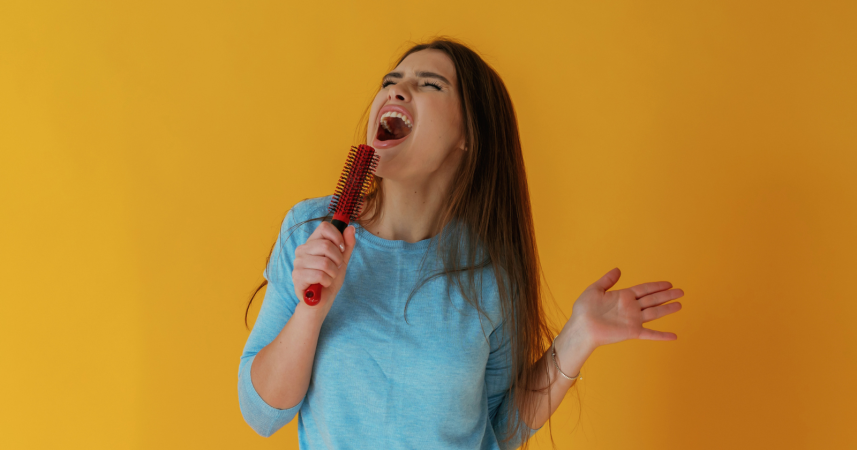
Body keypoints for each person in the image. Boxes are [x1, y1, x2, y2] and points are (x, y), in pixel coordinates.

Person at [238, 37, 685, 450]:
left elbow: (500, 428)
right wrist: (311, 310)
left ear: (467, 136)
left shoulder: (491, 272)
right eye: (390, 82)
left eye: (428, 84)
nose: (396, 91)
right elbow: (262, 414)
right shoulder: (308, 231)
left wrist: (577, 337)